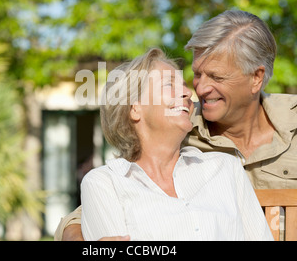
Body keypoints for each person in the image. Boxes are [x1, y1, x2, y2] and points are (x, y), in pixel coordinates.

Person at [54, 10, 297, 241]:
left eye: (217, 77)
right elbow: (118, 193)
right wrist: (78, 234)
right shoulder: (179, 127)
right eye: (197, 74)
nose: (199, 89)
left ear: (256, 78)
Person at [80, 47, 272, 240]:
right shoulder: (105, 183)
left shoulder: (225, 167)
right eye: (169, 85)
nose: (188, 93)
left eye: (183, 85)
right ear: (134, 109)